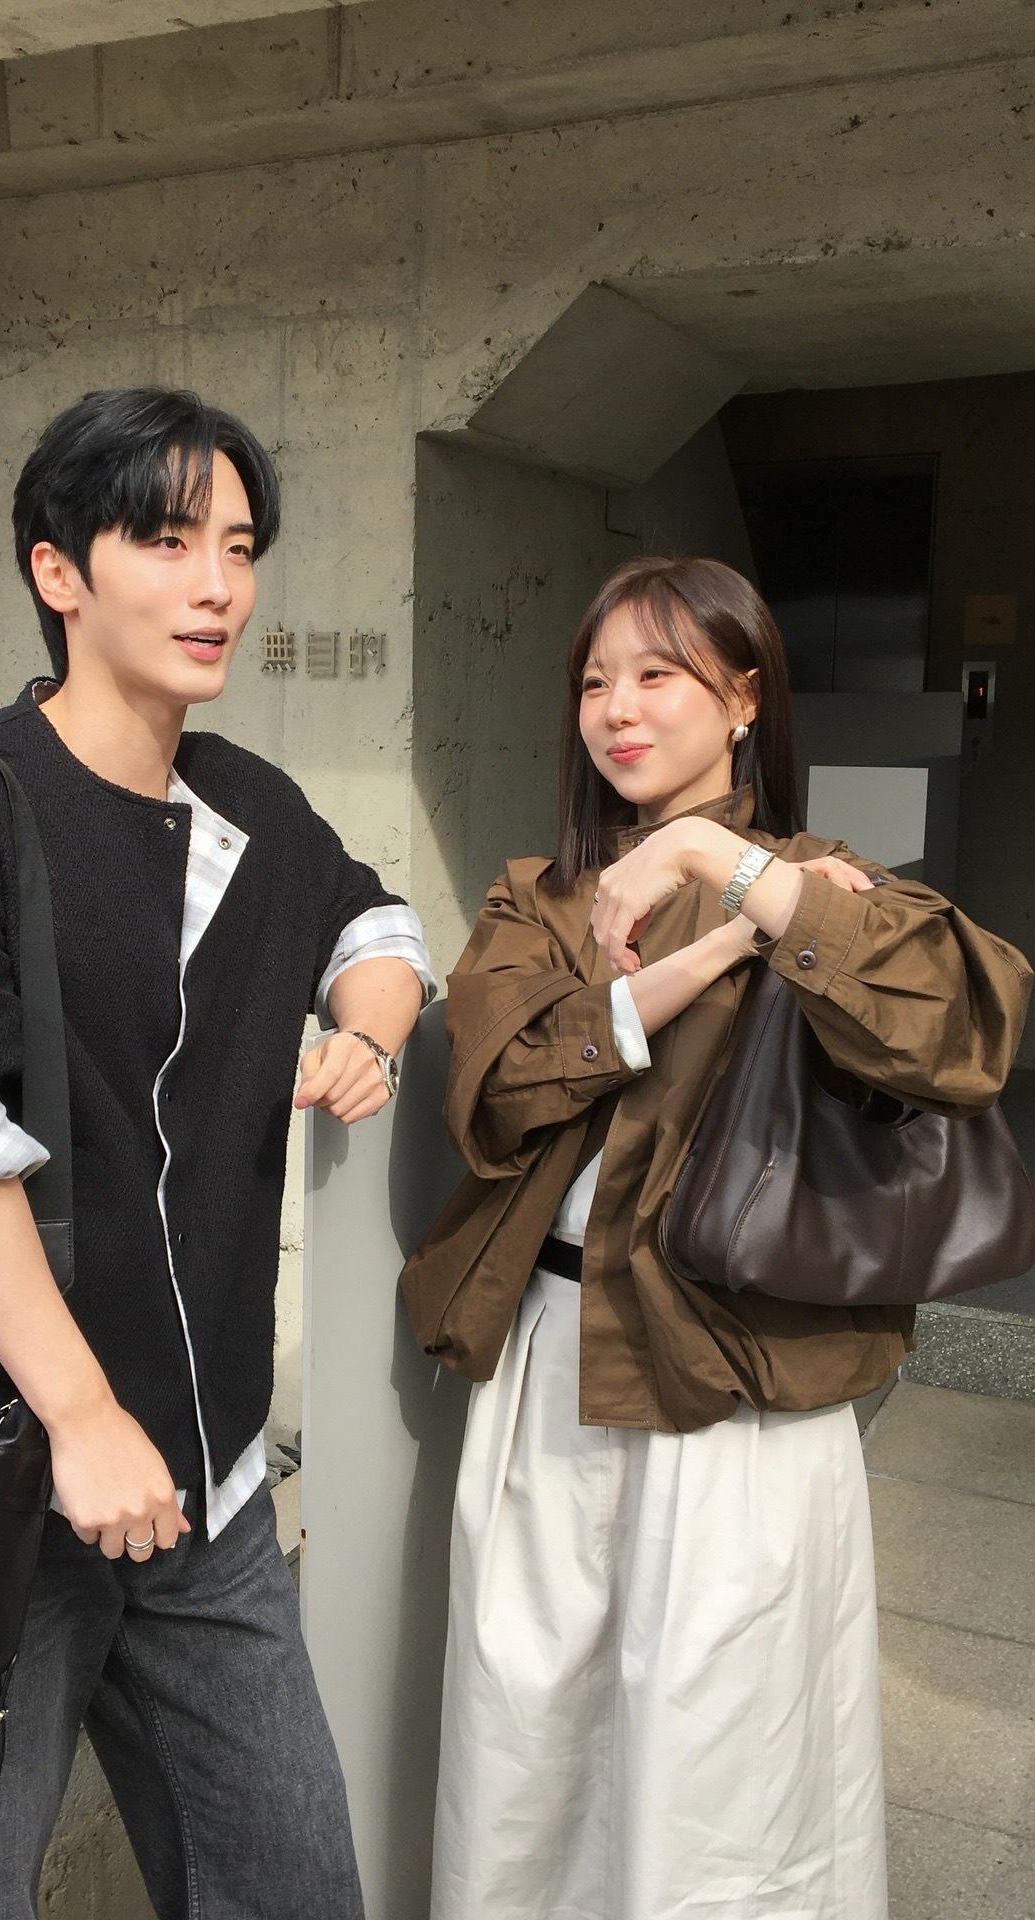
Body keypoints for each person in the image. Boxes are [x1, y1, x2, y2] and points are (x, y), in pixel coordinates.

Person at [0, 386, 435, 1920]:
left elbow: (377, 923)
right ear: (58, 571)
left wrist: (370, 1033)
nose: (218, 586)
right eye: (165, 540)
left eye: (240, 547)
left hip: (209, 1493)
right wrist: (79, 1417)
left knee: (291, 1883)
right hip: (0, 1493)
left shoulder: (252, 809)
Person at [400, 555, 1032, 1920]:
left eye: (658, 675)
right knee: (530, 1742)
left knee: (728, 1763)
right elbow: (492, 1093)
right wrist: (704, 960)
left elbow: (967, 1021)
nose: (618, 709)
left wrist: (717, 867)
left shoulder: (816, 882)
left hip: (739, 1378)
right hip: (553, 1372)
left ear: (745, 699)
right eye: (594, 682)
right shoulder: (536, 897)